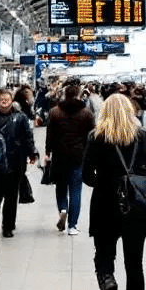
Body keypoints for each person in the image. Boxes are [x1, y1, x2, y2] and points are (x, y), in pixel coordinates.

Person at [81, 93, 146, 290]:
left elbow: (86, 176)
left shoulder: (96, 137)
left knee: (104, 254)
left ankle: (108, 283)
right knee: (135, 265)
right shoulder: (143, 136)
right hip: (135, 207)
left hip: (104, 204)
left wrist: (105, 181)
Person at [0, 88, 38, 238]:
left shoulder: (20, 118)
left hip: (13, 163)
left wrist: (32, 153)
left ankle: (7, 226)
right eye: (2, 98)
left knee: (10, 197)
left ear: (12, 101)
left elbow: (27, 138)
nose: (4, 101)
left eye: (7, 99)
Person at [45, 83, 95, 235]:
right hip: (79, 157)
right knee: (75, 191)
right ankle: (72, 226)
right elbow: (91, 136)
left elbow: (50, 135)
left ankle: (62, 209)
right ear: (79, 95)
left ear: (64, 94)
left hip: (59, 156)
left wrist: (47, 152)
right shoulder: (86, 113)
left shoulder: (55, 112)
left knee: (61, 187)